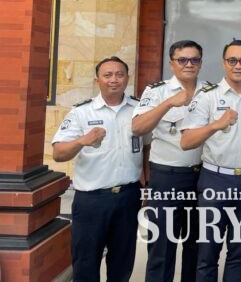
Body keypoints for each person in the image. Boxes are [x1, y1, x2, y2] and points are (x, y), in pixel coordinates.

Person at [180, 39, 241, 282]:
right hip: (215, 181)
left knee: (239, 252)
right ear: (223, 63)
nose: (238, 65)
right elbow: (186, 141)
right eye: (232, 60)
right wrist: (216, 125)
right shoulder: (207, 97)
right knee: (207, 253)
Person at [52, 56, 147, 282]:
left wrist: (147, 187)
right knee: (86, 263)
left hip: (128, 196)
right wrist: (81, 141)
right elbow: (58, 153)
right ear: (97, 80)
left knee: (122, 263)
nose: (114, 80)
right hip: (91, 200)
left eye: (119, 74)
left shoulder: (139, 110)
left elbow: (148, 148)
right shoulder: (82, 112)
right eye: (107, 75)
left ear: (128, 78)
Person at [132, 40, 206, 282]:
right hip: (167, 178)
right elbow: (138, 127)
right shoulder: (157, 91)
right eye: (182, 60)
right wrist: (167, 104)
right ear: (171, 63)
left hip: (202, 177)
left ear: (201, 63)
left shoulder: (211, 92)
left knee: (197, 245)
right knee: (162, 246)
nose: (189, 64)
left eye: (194, 59)